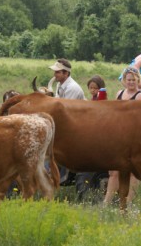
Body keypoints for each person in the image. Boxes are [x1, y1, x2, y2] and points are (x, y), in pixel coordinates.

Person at [103, 67, 141, 205]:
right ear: (124, 81)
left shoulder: (140, 96)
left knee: (133, 172)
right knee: (114, 171)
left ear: (138, 80)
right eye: (129, 80)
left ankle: (128, 202)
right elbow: (114, 113)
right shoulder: (119, 93)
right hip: (118, 136)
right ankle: (106, 202)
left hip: (134, 137)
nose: (131, 82)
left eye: (134, 80)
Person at [48, 58, 89, 200]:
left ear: (66, 73)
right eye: (55, 71)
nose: (55, 74)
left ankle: (62, 171)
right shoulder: (62, 85)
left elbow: (66, 112)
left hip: (78, 125)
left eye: (58, 72)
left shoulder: (72, 88)